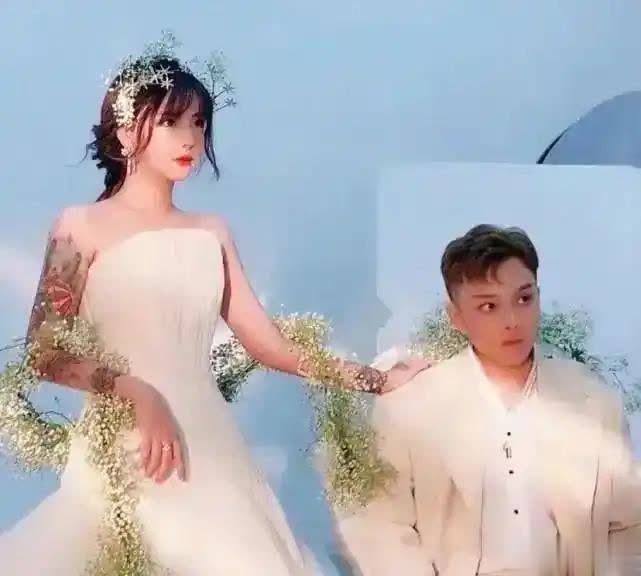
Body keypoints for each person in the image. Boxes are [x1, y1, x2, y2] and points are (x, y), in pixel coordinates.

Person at [0, 37, 428, 575]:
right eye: (172, 121)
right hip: (123, 446)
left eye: (199, 123)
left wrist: (378, 380)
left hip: (209, 445)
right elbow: (44, 353)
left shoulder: (211, 232)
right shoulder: (78, 227)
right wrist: (137, 391)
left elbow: (269, 346)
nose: (191, 138)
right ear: (127, 130)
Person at [335, 224, 641, 575]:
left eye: (524, 299)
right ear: (456, 317)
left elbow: (629, 525)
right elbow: (380, 527)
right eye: (488, 306)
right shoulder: (412, 406)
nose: (512, 321)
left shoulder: (592, 399)